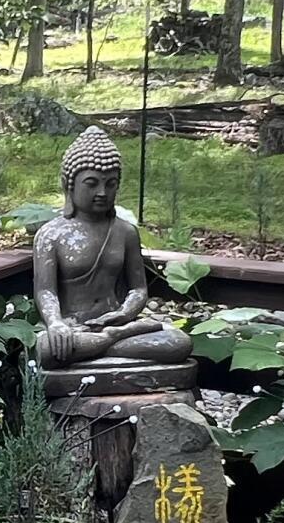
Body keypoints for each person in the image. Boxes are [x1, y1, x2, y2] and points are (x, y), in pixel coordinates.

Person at [34, 127, 192, 368]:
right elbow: (46, 292)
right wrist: (56, 323)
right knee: (46, 349)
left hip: (118, 323)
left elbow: (138, 289)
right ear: (68, 184)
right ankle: (109, 343)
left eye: (111, 184)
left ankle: (102, 343)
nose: (102, 192)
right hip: (73, 327)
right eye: (91, 183)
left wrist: (124, 314)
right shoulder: (51, 235)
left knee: (178, 342)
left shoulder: (125, 232)